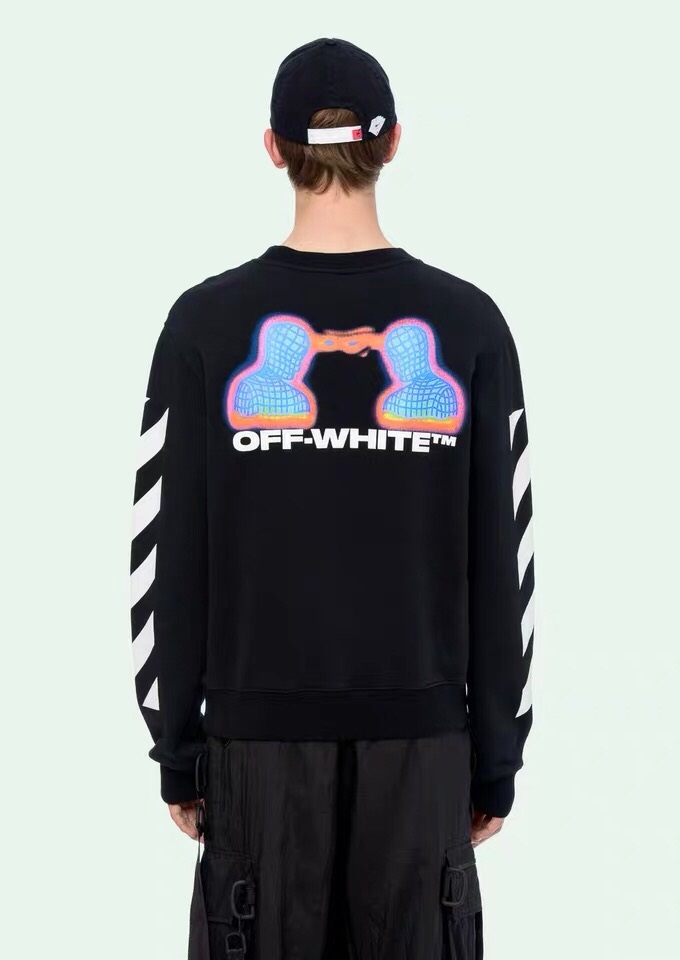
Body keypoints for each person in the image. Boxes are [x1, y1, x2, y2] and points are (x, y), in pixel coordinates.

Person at [129, 37, 535, 960]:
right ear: (393, 144)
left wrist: (179, 748)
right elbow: (503, 557)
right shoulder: (469, 324)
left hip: (256, 750)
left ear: (274, 149)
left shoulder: (204, 325)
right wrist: (495, 758)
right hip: (423, 749)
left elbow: (166, 553)